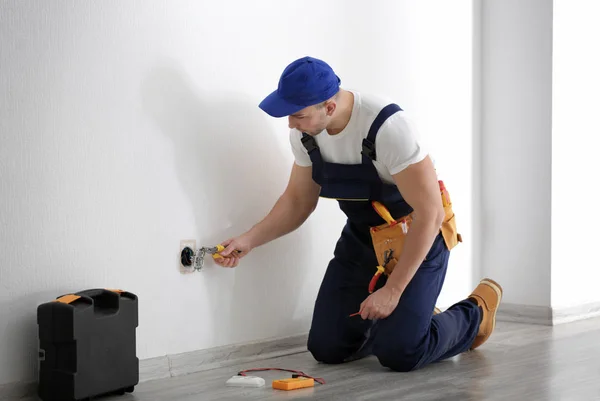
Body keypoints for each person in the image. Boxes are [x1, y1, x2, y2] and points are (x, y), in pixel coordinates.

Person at [214, 56, 502, 372]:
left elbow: (430, 213)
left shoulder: (387, 127)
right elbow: (298, 202)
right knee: (327, 347)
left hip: (419, 233)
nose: (290, 124)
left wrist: (393, 292)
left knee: (401, 353)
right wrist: (250, 239)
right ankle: (411, 317)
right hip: (365, 237)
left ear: (329, 107)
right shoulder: (305, 135)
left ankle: (475, 314)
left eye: (297, 115)